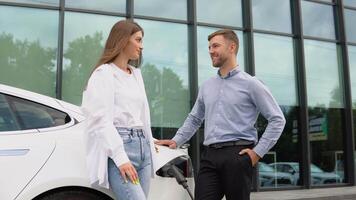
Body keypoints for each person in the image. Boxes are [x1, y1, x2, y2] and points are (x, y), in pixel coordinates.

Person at [155, 29, 286, 200]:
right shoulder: (207, 86)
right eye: (209, 47)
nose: (210, 51)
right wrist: (176, 140)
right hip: (210, 156)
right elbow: (195, 118)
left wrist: (257, 153)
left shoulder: (251, 84)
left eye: (215, 46)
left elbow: (277, 119)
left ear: (232, 47)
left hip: (238, 155)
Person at [82, 20, 156, 200]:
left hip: (144, 149)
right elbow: (99, 120)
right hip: (121, 146)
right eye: (138, 40)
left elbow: (139, 115)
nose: (141, 46)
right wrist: (120, 157)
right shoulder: (104, 73)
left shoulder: (136, 74)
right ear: (123, 40)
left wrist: (151, 139)